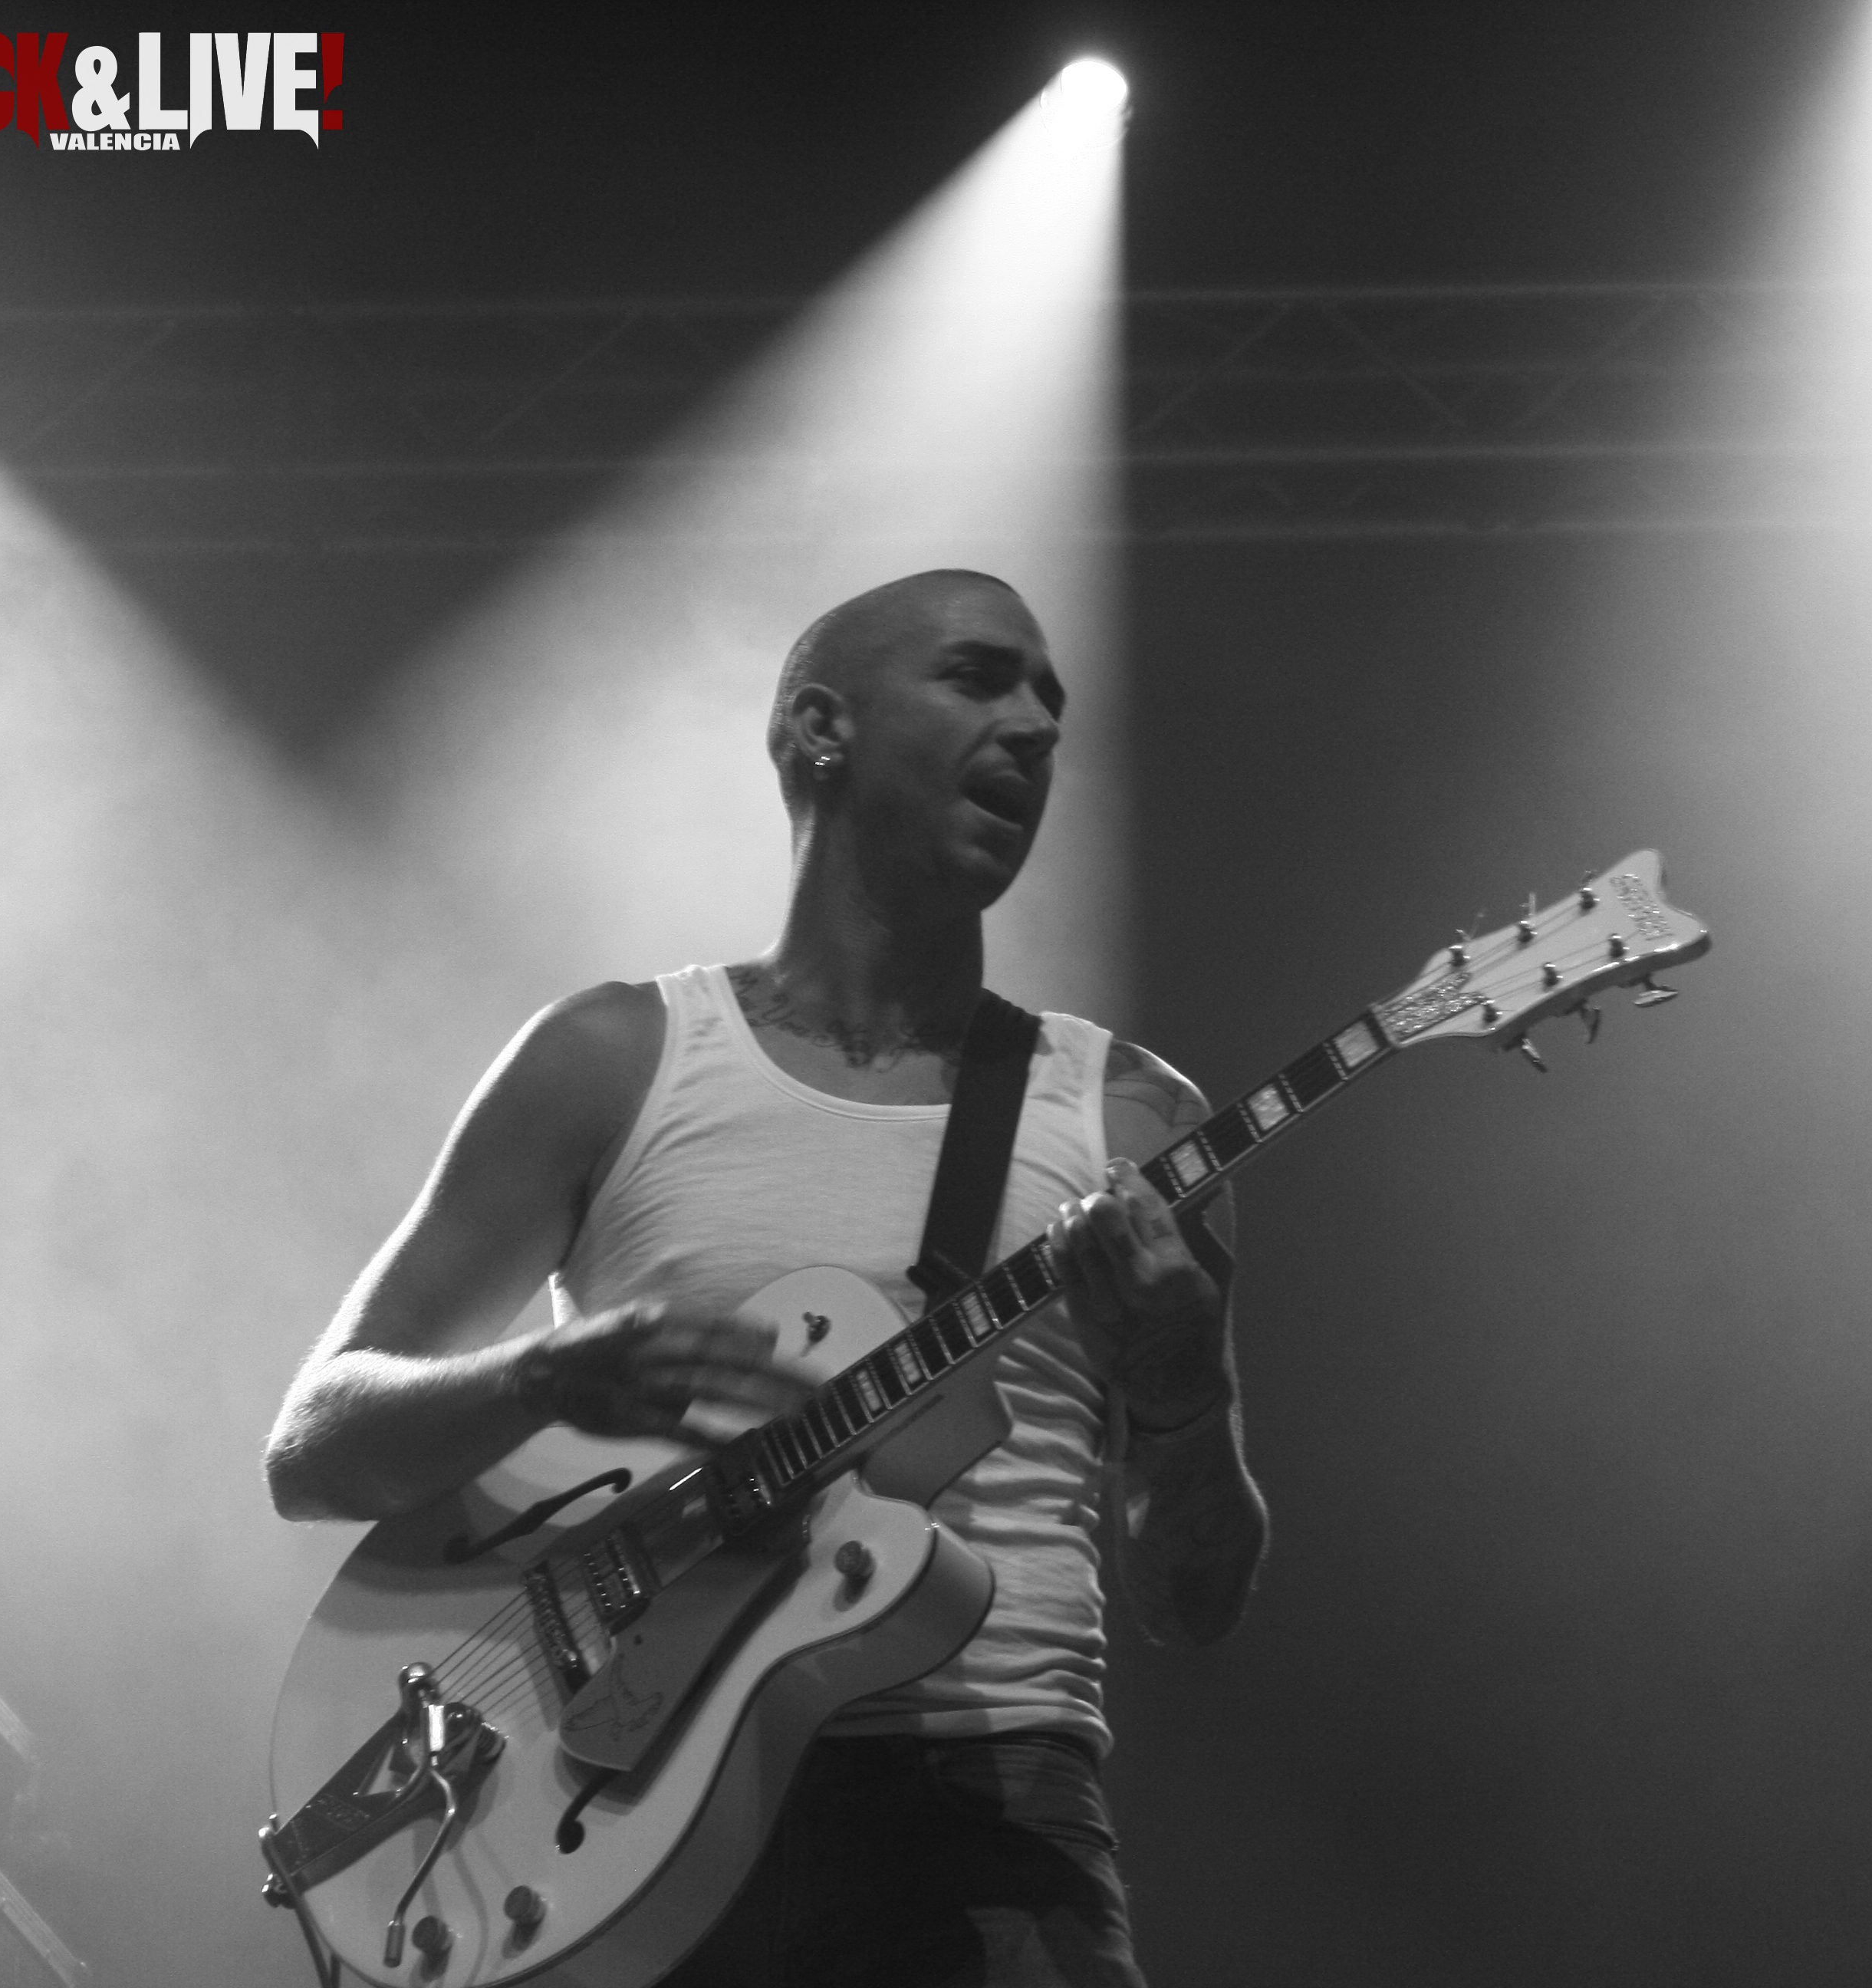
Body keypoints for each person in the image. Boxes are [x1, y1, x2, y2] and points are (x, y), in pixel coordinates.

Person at [263, 569, 1267, 1986]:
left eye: (1052, 697)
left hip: (985, 1820)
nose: (1040, 724)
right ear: (819, 730)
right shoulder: (613, 1059)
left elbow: (1193, 1602)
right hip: (613, 1809)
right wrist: (545, 1376)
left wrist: (1184, 1389)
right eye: (979, 678)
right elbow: (316, 1451)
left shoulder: (1135, 1120)